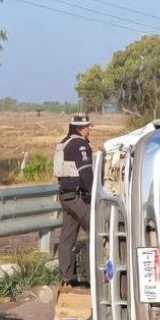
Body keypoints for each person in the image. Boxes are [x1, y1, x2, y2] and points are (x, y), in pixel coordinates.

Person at [53, 113, 94, 286]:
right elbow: (86, 172)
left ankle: (67, 279)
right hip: (78, 198)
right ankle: (97, 276)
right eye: (87, 127)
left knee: (67, 238)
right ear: (80, 128)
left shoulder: (63, 143)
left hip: (66, 197)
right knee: (98, 231)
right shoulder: (80, 145)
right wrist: (96, 193)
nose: (89, 130)